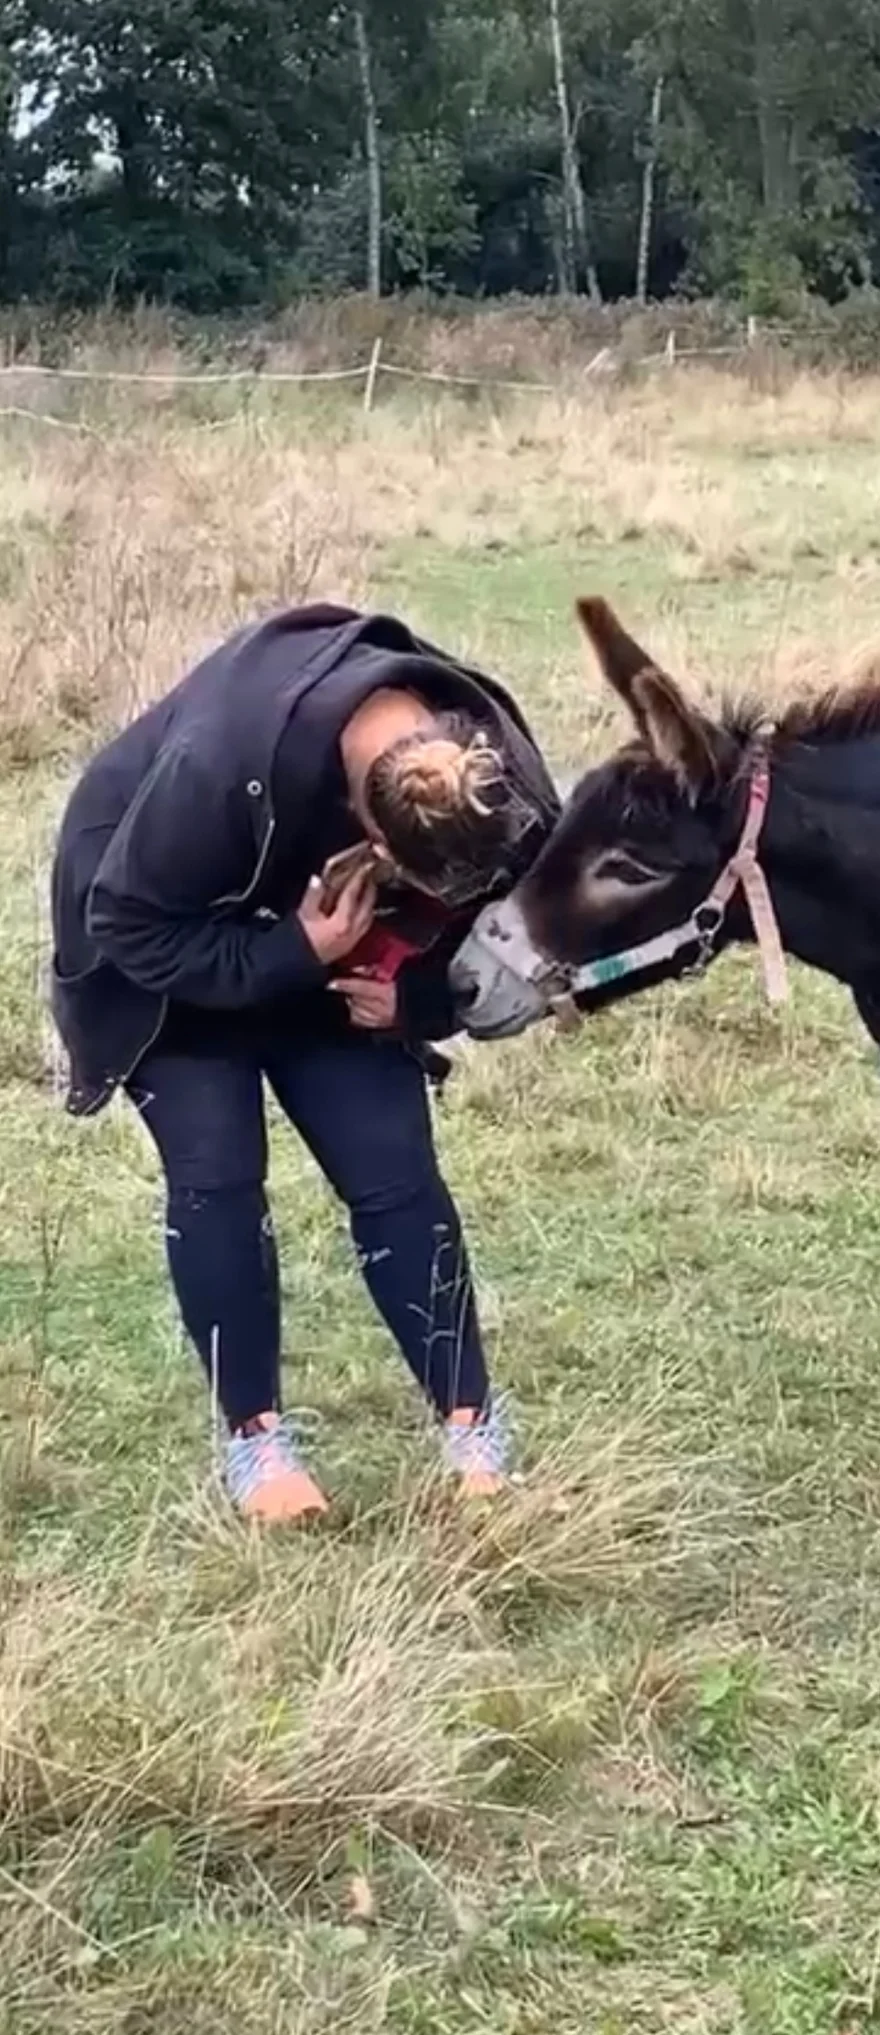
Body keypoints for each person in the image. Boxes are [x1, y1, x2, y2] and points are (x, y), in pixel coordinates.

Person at [51, 605, 559, 1521]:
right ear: (360, 813)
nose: (420, 897)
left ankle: (472, 1426)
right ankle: (258, 1446)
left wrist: (421, 1000)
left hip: (335, 953)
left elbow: (528, 924)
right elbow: (122, 923)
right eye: (406, 877)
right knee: (220, 1176)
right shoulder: (219, 766)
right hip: (166, 958)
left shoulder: (496, 777)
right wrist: (289, 955)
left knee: (393, 1171)